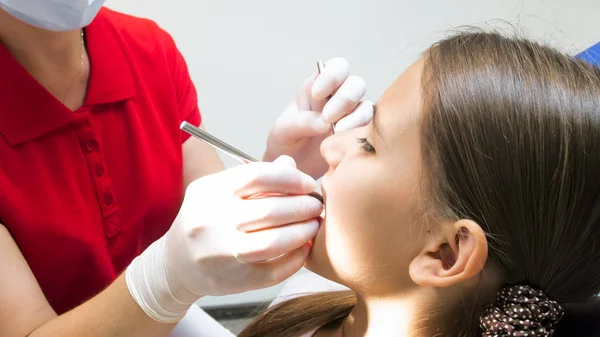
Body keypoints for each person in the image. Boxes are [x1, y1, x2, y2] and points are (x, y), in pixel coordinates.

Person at [0, 1, 374, 336]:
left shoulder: (146, 49)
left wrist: (281, 170)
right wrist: (163, 282)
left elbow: (212, 226)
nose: (343, 153)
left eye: (374, 146)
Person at [236, 31, 600, 337]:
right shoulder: (309, 301)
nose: (330, 147)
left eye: (369, 145)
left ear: (445, 254)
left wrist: (176, 291)